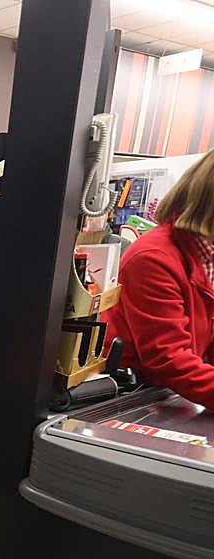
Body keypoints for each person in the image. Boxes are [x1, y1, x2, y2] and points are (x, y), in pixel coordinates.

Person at [104, 148, 214, 409]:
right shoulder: (155, 258)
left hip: (166, 394)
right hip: (132, 397)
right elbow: (168, 358)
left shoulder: (204, 254)